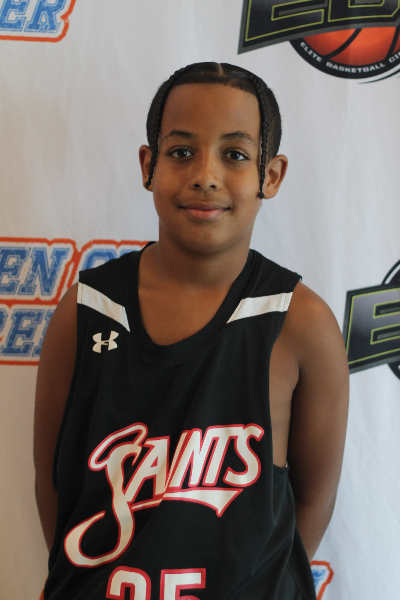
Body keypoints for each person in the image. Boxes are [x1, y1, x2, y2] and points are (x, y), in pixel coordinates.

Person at [34, 62, 349, 600]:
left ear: (271, 175)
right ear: (148, 165)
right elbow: (55, 484)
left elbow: (313, 500)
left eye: (235, 155)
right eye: (181, 152)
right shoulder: (88, 310)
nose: (205, 175)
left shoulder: (302, 322)